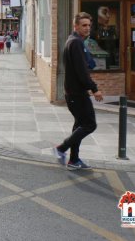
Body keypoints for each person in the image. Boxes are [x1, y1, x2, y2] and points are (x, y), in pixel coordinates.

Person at [53, 12, 103, 170]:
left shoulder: (74, 40)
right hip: (76, 94)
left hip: (74, 93)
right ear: (76, 26)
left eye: (89, 25)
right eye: (84, 25)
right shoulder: (76, 43)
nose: (88, 28)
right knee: (90, 125)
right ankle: (61, 148)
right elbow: (82, 71)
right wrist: (94, 89)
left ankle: (74, 160)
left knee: (80, 125)